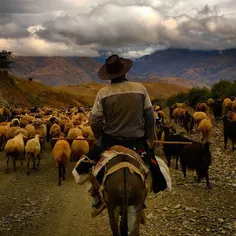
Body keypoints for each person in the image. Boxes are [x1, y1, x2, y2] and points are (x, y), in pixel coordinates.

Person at [76, 54, 167, 218]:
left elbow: (94, 120)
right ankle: (146, 194)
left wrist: (100, 139)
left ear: (109, 75)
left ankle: (97, 197)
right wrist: (149, 140)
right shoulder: (140, 88)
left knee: (86, 166)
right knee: (155, 167)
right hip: (137, 142)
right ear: (125, 72)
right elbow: (150, 117)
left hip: (111, 142)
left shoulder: (103, 93)